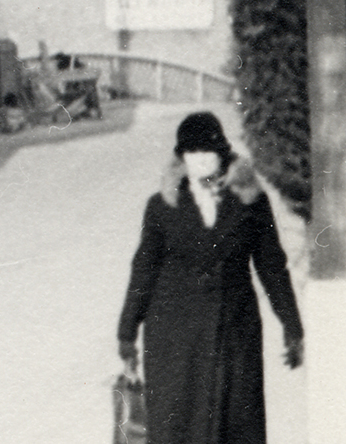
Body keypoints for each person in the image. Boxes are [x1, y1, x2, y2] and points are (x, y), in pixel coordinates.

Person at [118, 111, 303, 444]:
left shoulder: (251, 202)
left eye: (207, 152)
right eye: (191, 153)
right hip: (175, 340)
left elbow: (272, 265)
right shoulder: (161, 207)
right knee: (181, 428)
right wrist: (127, 332)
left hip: (235, 332)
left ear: (223, 154)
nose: (200, 161)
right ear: (181, 157)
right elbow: (143, 269)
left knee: (235, 426)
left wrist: (292, 325)